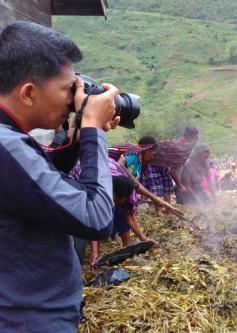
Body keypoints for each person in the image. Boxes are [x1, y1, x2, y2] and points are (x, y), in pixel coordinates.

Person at [0, 21, 119, 331]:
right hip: (29, 321)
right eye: (69, 89)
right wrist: (93, 129)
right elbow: (96, 218)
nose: (73, 100)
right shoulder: (6, 144)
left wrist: (78, 139)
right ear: (28, 93)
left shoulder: (10, 140)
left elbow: (36, 185)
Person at [152, 126, 199, 193]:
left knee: (168, 187)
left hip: (165, 165)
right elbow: (173, 171)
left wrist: (179, 185)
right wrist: (180, 185)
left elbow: (174, 168)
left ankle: (167, 203)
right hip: (153, 163)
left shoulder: (185, 147)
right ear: (188, 138)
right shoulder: (180, 147)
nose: (195, 142)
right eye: (194, 139)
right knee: (157, 189)